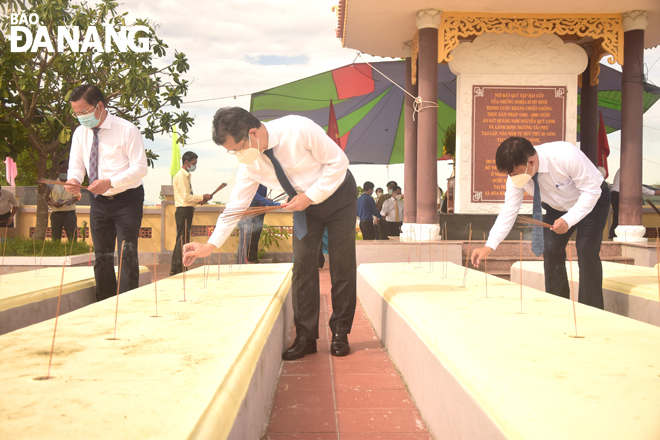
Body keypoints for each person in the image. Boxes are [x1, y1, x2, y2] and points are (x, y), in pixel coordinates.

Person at [183, 107, 357, 360]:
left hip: (339, 196)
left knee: (342, 265)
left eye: (237, 148)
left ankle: (341, 333)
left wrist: (310, 196)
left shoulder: (298, 128)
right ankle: (305, 337)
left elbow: (339, 162)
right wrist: (210, 245)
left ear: (253, 133)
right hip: (304, 207)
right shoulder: (251, 164)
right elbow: (236, 205)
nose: (237, 154)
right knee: (303, 267)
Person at [471, 137, 610, 309]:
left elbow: (591, 191)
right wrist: (489, 246)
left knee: (586, 249)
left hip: (592, 200)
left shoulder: (565, 155)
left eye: (514, 173)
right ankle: (558, 305)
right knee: (550, 248)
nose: (512, 178)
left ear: (531, 161)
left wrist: (568, 219)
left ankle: (592, 309)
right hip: (557, 207)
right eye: (509, 174)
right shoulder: (516, 177)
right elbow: (509, 211)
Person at [65, 84, 148, 302]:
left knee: (126, 253)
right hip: (98, 201)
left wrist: (110, 182)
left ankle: (128, 302)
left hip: (127, 199)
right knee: (101, 254)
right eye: (76, 113)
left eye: (84, 112)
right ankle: (104, 301)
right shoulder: (80, 133)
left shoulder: (127, 130)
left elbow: (140, 168)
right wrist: (74, 179)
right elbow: (76, 165)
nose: (81, 117)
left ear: (100, 106)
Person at [170, 151, 213, 275]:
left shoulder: (186, 175)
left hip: (186, 209)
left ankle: (179, 266)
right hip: (183, 210)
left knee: (183, 239)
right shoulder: (182, 176)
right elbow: (186, 197)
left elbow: (188, 199)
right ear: (186, 162)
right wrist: (202, 197)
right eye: (193, 163)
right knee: (182, 240)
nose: (195, 166)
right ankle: (177, 267)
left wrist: (199, 201)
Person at [608, 169, 660, 239]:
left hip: (617, 194)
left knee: (618, 216)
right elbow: (635, 186)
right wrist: (653, 192)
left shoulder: (624, 168)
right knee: (620, 216)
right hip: (620, 194)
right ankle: (615, 235)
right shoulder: (629, 168)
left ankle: (614, 235)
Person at [237, 184, 280, 264]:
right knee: (245, 239)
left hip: (259, 213)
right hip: (247, 213)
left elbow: (261, 198)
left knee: (255, 237)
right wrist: (276, 204)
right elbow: (255, 196)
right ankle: (240, 263)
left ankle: (252, 259)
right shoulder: (251, 183)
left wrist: (266, 201)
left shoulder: (263, 185)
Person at [46, 160, 80, 242]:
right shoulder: (53, 183)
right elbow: (47, 198)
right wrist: (53, 204)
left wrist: (70, 201)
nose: (64, 171)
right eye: (62, 169)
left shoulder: (73, 183)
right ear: (58, 170)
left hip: (70, 213)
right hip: (56, 213)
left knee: (72, 237)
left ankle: (73, 252)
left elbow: (77, 197)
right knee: (55, 237)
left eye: (66, 169)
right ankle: (56, 252)